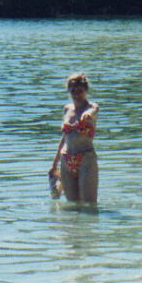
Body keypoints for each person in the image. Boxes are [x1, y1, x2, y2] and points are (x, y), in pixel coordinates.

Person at [49, 72, 99, 205]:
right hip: (66, 159)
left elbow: (93, 110)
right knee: (72, 204)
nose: (76, 94)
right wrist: (54, 163)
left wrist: (87, 116)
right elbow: (64, 137)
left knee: (89, 204)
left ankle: (88, 226)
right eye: (73, 91)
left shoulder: (91, 108)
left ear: (86, 90)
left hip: (86, 158)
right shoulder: (67, 109)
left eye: (80, 91)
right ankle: (71, 226)